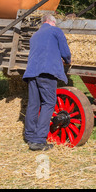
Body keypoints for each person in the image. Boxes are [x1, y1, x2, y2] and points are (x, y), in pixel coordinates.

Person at [23, 14, 71, 151]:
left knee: (33, 104)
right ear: (52, 22)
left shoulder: (35, 35)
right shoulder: (56, 31)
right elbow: (65, 52)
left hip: (32, 73)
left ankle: (30, 136)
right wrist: (68, 61)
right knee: (49, 103)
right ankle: (38, 141)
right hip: (47, 72)